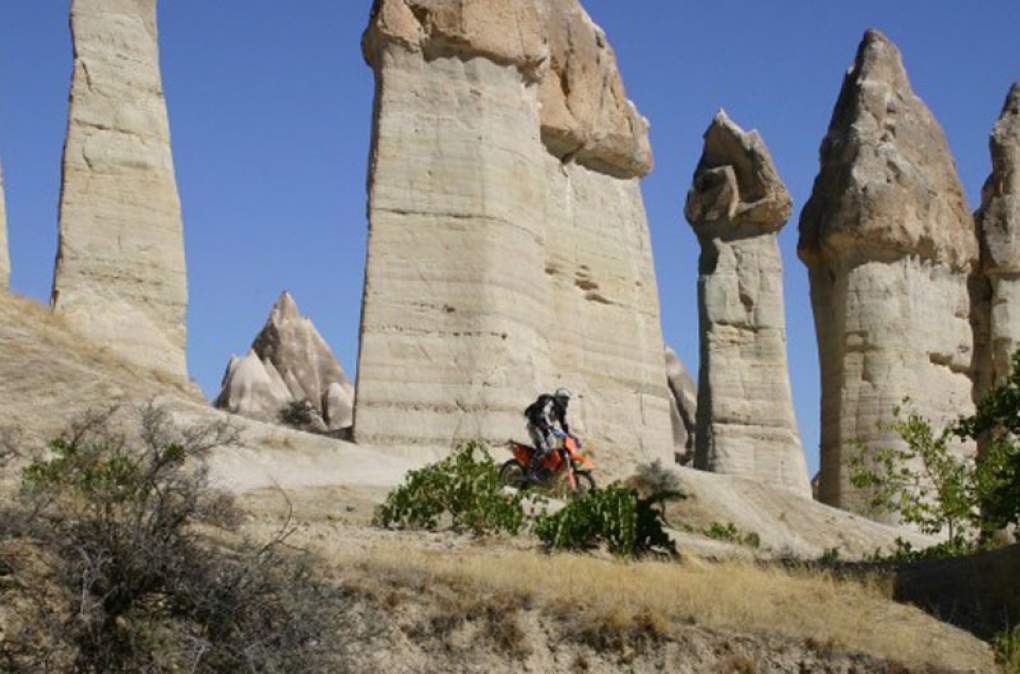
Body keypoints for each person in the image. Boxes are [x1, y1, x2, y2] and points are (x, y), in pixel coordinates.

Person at [523, 388, 574, 477]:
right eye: (564, 399)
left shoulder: (561, 409)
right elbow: (544, 414)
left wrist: (568, 434)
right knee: (543, 448)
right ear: (559, 398)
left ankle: (545, 470)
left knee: (553, 448)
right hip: (535, 425)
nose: (566, 402)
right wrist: (550, 426)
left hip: (545, 428)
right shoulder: (549, 403)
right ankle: (531, 471)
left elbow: (564, 423)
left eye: (567, 400)